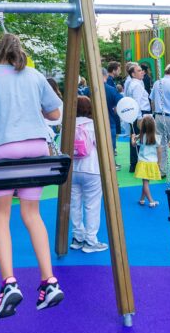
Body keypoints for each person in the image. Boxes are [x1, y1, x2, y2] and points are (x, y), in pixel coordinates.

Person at [0, 33, 64, 319]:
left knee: (1, 216)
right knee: (32, 214)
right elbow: (55, 113)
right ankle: (49, 281)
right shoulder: (34, 75)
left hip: (3, 149)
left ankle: (9, 283)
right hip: (36, 148)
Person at [69, 96, 108, 253]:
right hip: (92, 168)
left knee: (74, 204)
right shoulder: (94, 125)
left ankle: (77, 237)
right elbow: (102, 148)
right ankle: (90, 240)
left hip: (72, 169)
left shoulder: (68, 125)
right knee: (92, 205)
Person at [125, 63, 151, 173]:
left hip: (137, 114)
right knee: (139, 139)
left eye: (142, 70)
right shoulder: (136, 85)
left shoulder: (135, 83)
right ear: (133, 74)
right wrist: (140, 118)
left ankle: (135, 164)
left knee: (136, 138)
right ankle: (137, 164)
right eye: (139, 71)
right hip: (140, 114)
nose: (142, 72)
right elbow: (137, 103)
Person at [132, 115, 162, 207]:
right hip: (152, 163)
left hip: (143, 163)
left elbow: (133, 145)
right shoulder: (156, 137)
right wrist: (159, 162)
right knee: (146, 183)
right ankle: (150, 200)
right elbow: (159, 151)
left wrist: (132, 138)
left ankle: (143, 199)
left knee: (145, 183)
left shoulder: (141, 137)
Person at [101, 68, 123, 164]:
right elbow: (121, 103)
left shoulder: (88, 90)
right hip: (109, 121)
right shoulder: (111, 90)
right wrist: (115, 110)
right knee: (110, 145)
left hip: (92, 123)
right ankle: (111, 164)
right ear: (106, 76)